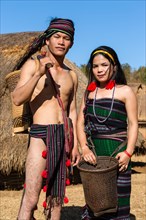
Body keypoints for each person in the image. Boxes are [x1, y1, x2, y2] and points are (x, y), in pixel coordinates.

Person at [12, 17, 80, 220]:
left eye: (66, 38)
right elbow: (16, 98)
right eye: (57, 36)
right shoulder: (32, 65)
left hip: (63, 136)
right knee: (31, 199)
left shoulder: (72, 75)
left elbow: (73, 111)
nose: (61, 41)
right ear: (47, 40)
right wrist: (39, 74)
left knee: (56, 200)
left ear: (71, 43)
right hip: (40, 134)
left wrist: (75, 143)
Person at [77, 46, 138, 220]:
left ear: (114, 66)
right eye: (95, 66)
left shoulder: (125, 91)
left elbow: (133, 124)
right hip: (95, 154)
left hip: (119, 154)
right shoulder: (88, 93)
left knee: (119, 204)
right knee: (97, 202)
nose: (100, 69)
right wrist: (84, 148)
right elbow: (80, 122)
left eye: (104, 64)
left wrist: (128, 152)